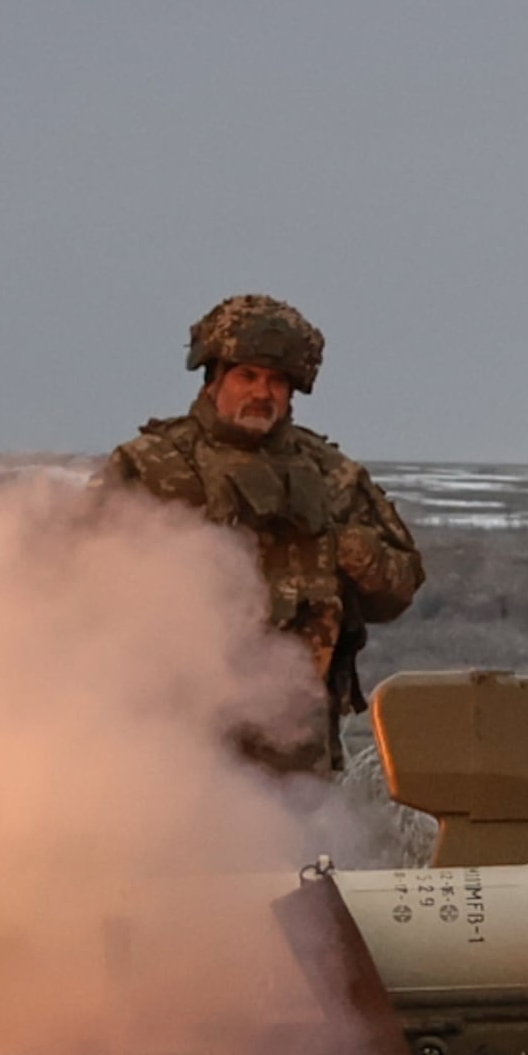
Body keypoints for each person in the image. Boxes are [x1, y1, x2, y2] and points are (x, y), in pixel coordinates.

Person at [101, 294, 425, 773]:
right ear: (214, 379)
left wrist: (349, 549)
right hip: (170, 743)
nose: (262, 392)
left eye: (276, 381)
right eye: (246, 376)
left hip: (296, 748)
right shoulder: (151, 468)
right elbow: (77, 589)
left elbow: (400, 587)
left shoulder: (332, 476)